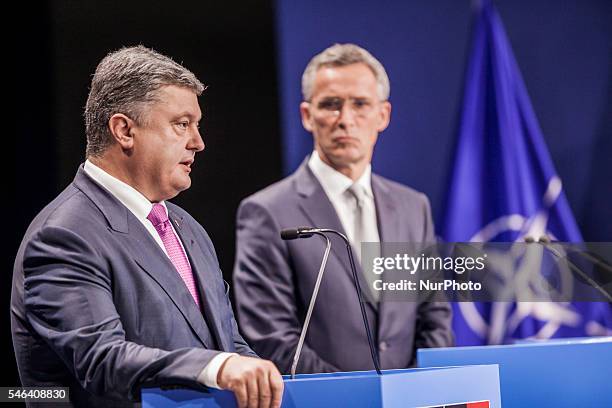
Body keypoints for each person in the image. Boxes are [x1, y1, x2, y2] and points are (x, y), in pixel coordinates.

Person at [11, 45, 283, 408]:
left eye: (196, 126)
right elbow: (102, 359)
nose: (198, 143)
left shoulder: (187, 229)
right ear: (124, 130)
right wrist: (218, 366)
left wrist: (261, 376)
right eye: (181, 124)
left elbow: (225, 344)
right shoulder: (64, 236)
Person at [233, 43, 453, 374]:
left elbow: (434, 318)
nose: (345, 120)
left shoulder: (413, 207)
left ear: (383, 115)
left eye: (360, 104)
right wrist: (359, 396)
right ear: (307, 116)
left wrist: (413, 390)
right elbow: (272, 338)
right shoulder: (266, 212)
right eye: (331, 105)